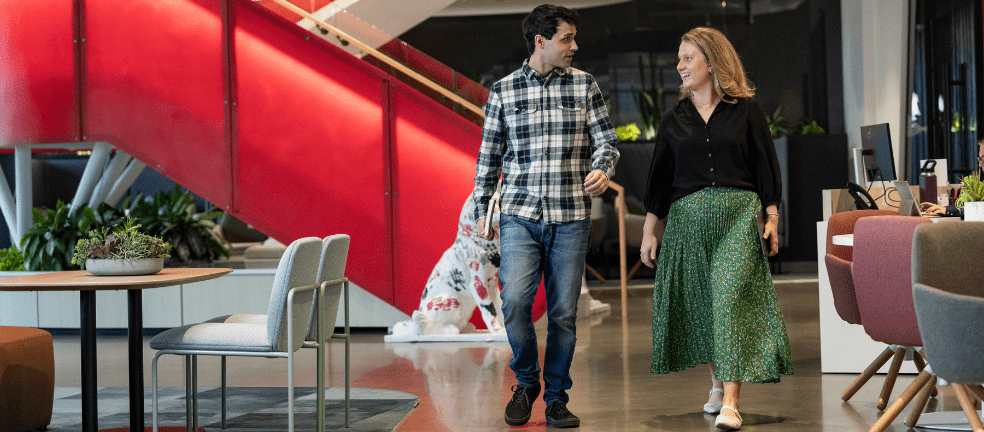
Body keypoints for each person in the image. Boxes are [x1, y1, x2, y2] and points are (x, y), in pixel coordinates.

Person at [472, 4, 619, 428]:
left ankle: (556, 398)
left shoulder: (585, 85)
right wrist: (483, 212)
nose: (575, 46)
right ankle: (526, 382)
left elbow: (606, 143)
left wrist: (602, 168)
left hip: (571, 216)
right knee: (516, 301)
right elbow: (488, 160)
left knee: (563, 314)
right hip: (519, 217)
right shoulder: (503, 91)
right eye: (566, 38)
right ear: (540, 41)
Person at [639, 27, 793, 431]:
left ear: (712, 62)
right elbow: (659, 180)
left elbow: (766, 166)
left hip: (738, 218)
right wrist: (649, 231)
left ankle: (731, 402)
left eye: (687, 57)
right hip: (687, 223)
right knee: (705, 307)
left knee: (729, 302)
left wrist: (772, 217)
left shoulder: (746, 111)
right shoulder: (673, 119)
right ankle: (717, 382)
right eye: (679, 58)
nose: (680, 65)